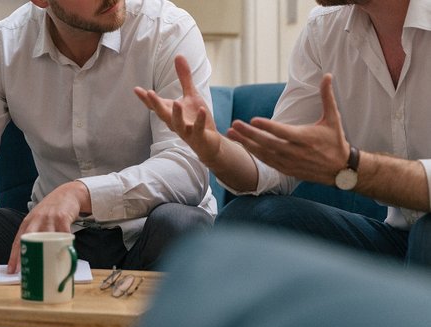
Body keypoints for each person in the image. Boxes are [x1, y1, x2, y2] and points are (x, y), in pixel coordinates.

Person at [0, 0, 216, 282]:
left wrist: (80, 193)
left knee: (181, 225)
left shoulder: (168, 30)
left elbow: (188, 167)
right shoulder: (6, 43)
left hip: (150, 232)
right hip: (54, 238)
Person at [135, 0, 431, 266]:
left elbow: (346, 166)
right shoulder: (324, 29)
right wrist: (214, 149)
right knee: (248, 220)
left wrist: (350, 166)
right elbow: (275, 169)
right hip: (396, 238)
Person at [136, 226, 431, 327]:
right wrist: (217, 152)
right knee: (249, 214)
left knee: (426, 233)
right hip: (391, 227)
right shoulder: (328, 81)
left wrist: (356, 166)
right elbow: (266, 171)